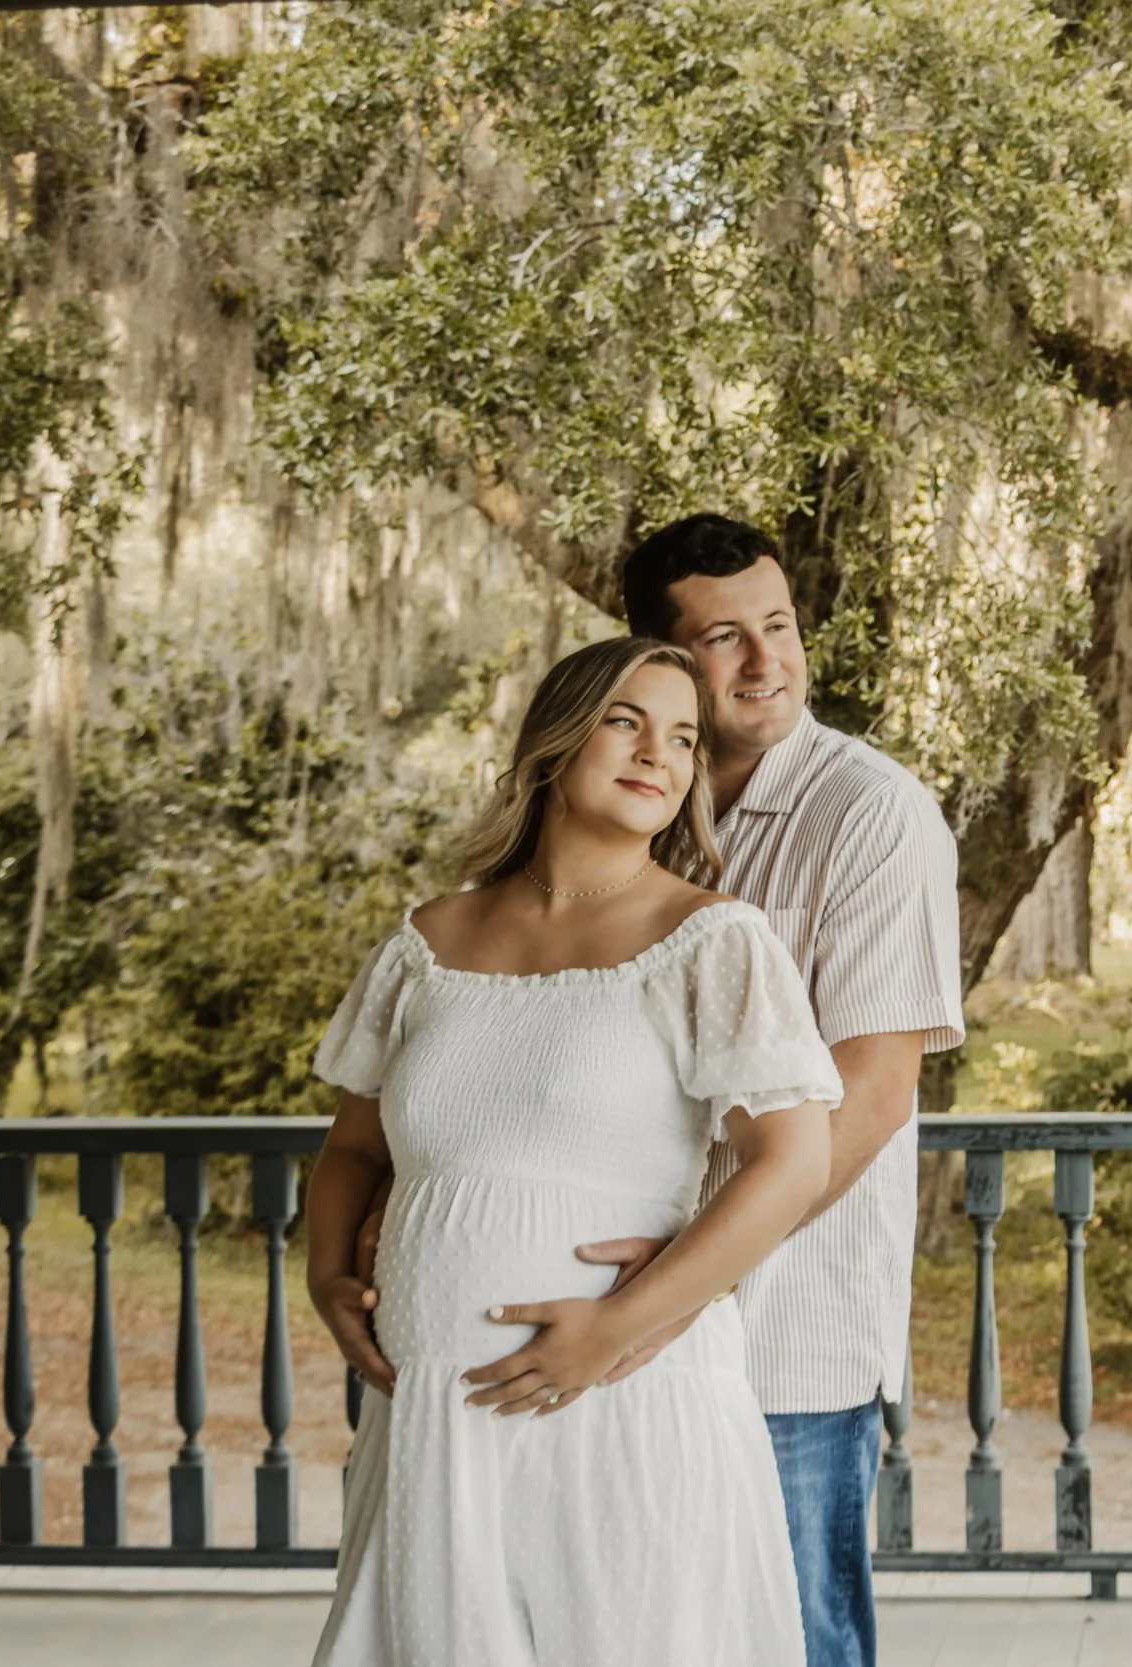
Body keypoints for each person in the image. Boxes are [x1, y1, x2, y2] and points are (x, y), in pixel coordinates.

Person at [305, 636, 841, 1667]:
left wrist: (615, 1328)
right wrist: (327, 1276)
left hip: (625, 1403)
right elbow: (353, 1147)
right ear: (555, 739)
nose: (659, 754)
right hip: (436, 1422)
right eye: (626, 721)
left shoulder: (714, 940)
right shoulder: (428, 938)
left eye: (683, 736)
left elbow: (792, 1162)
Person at [592, 514, 965, 1667]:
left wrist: (688, 1273)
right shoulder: (634, 807)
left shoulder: (870, 814)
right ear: (660, 661)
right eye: (723, 638)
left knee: (795, 1635)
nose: (766, 662)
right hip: (620, 1310)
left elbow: (871, 1094)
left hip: (780, 1337)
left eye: (780, 625)